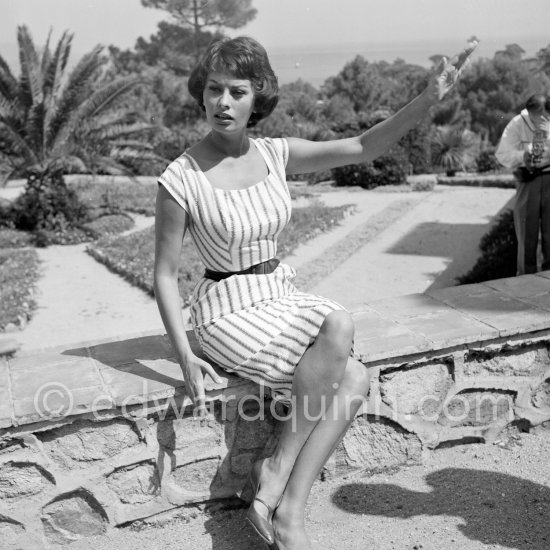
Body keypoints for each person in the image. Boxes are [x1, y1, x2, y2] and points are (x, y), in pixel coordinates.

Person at [154, 36, 468, 550]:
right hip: (224, 310)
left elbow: (365, 146)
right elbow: (165, 274)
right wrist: (184, 355)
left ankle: (287, 510)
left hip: (277, 293)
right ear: (201, 94)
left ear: (259, 97)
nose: (222, 102)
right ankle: (274, 471)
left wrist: (427, 99)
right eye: (213, 90)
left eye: (237, 91)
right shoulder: (180, 177)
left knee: (355, 377)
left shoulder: (277, 154)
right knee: (338, 327)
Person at [495, 94, 550, 275]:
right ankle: (526, 283)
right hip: (528, 180)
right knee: (527, 236)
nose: (541, 120)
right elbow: (502, 154)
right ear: (529, 113)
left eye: (545, 116)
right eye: (537, 117)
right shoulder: (518, 123)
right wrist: (522, 156)